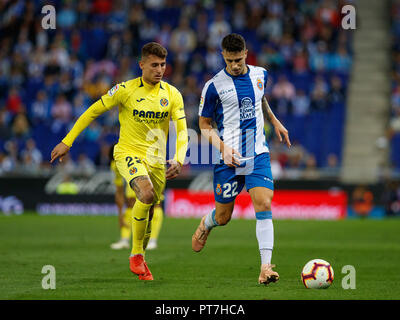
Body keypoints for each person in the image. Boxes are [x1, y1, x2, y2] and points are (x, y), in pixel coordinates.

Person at [51, 42, 188, 281]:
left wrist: (178, 158)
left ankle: (141, 255)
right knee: (144, 195)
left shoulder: (172, 94)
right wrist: (67, 141)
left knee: (147, 216)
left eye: (163, 65)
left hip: (156, 160)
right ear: (141, 65)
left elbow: (183, 131)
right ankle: (135, 255)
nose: (159, 70)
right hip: (128, 153)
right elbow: (93, 111)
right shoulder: (125, 90)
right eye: (154, 65)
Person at [192, 33, 291, 285]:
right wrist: (222, 147)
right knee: (224, 217)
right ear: (222, 56)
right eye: (229, 60)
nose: (234, 65)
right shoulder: (214, 86)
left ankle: (265, 267)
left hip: (257, 151)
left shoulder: (261, 74)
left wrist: (274, 119)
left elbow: (261, 99)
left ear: (246, 53)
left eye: (238, 59)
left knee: (264, 203)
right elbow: (203, 124)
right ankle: (207, 222)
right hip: (229, 156)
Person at [109, 143, 164, 251]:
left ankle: (152, 240)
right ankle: (125, 239)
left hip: (153, 165)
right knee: (130, 203)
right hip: (135, 170)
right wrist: (120, 216)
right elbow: (119, 190)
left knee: (155, 204)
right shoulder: (115, 164)